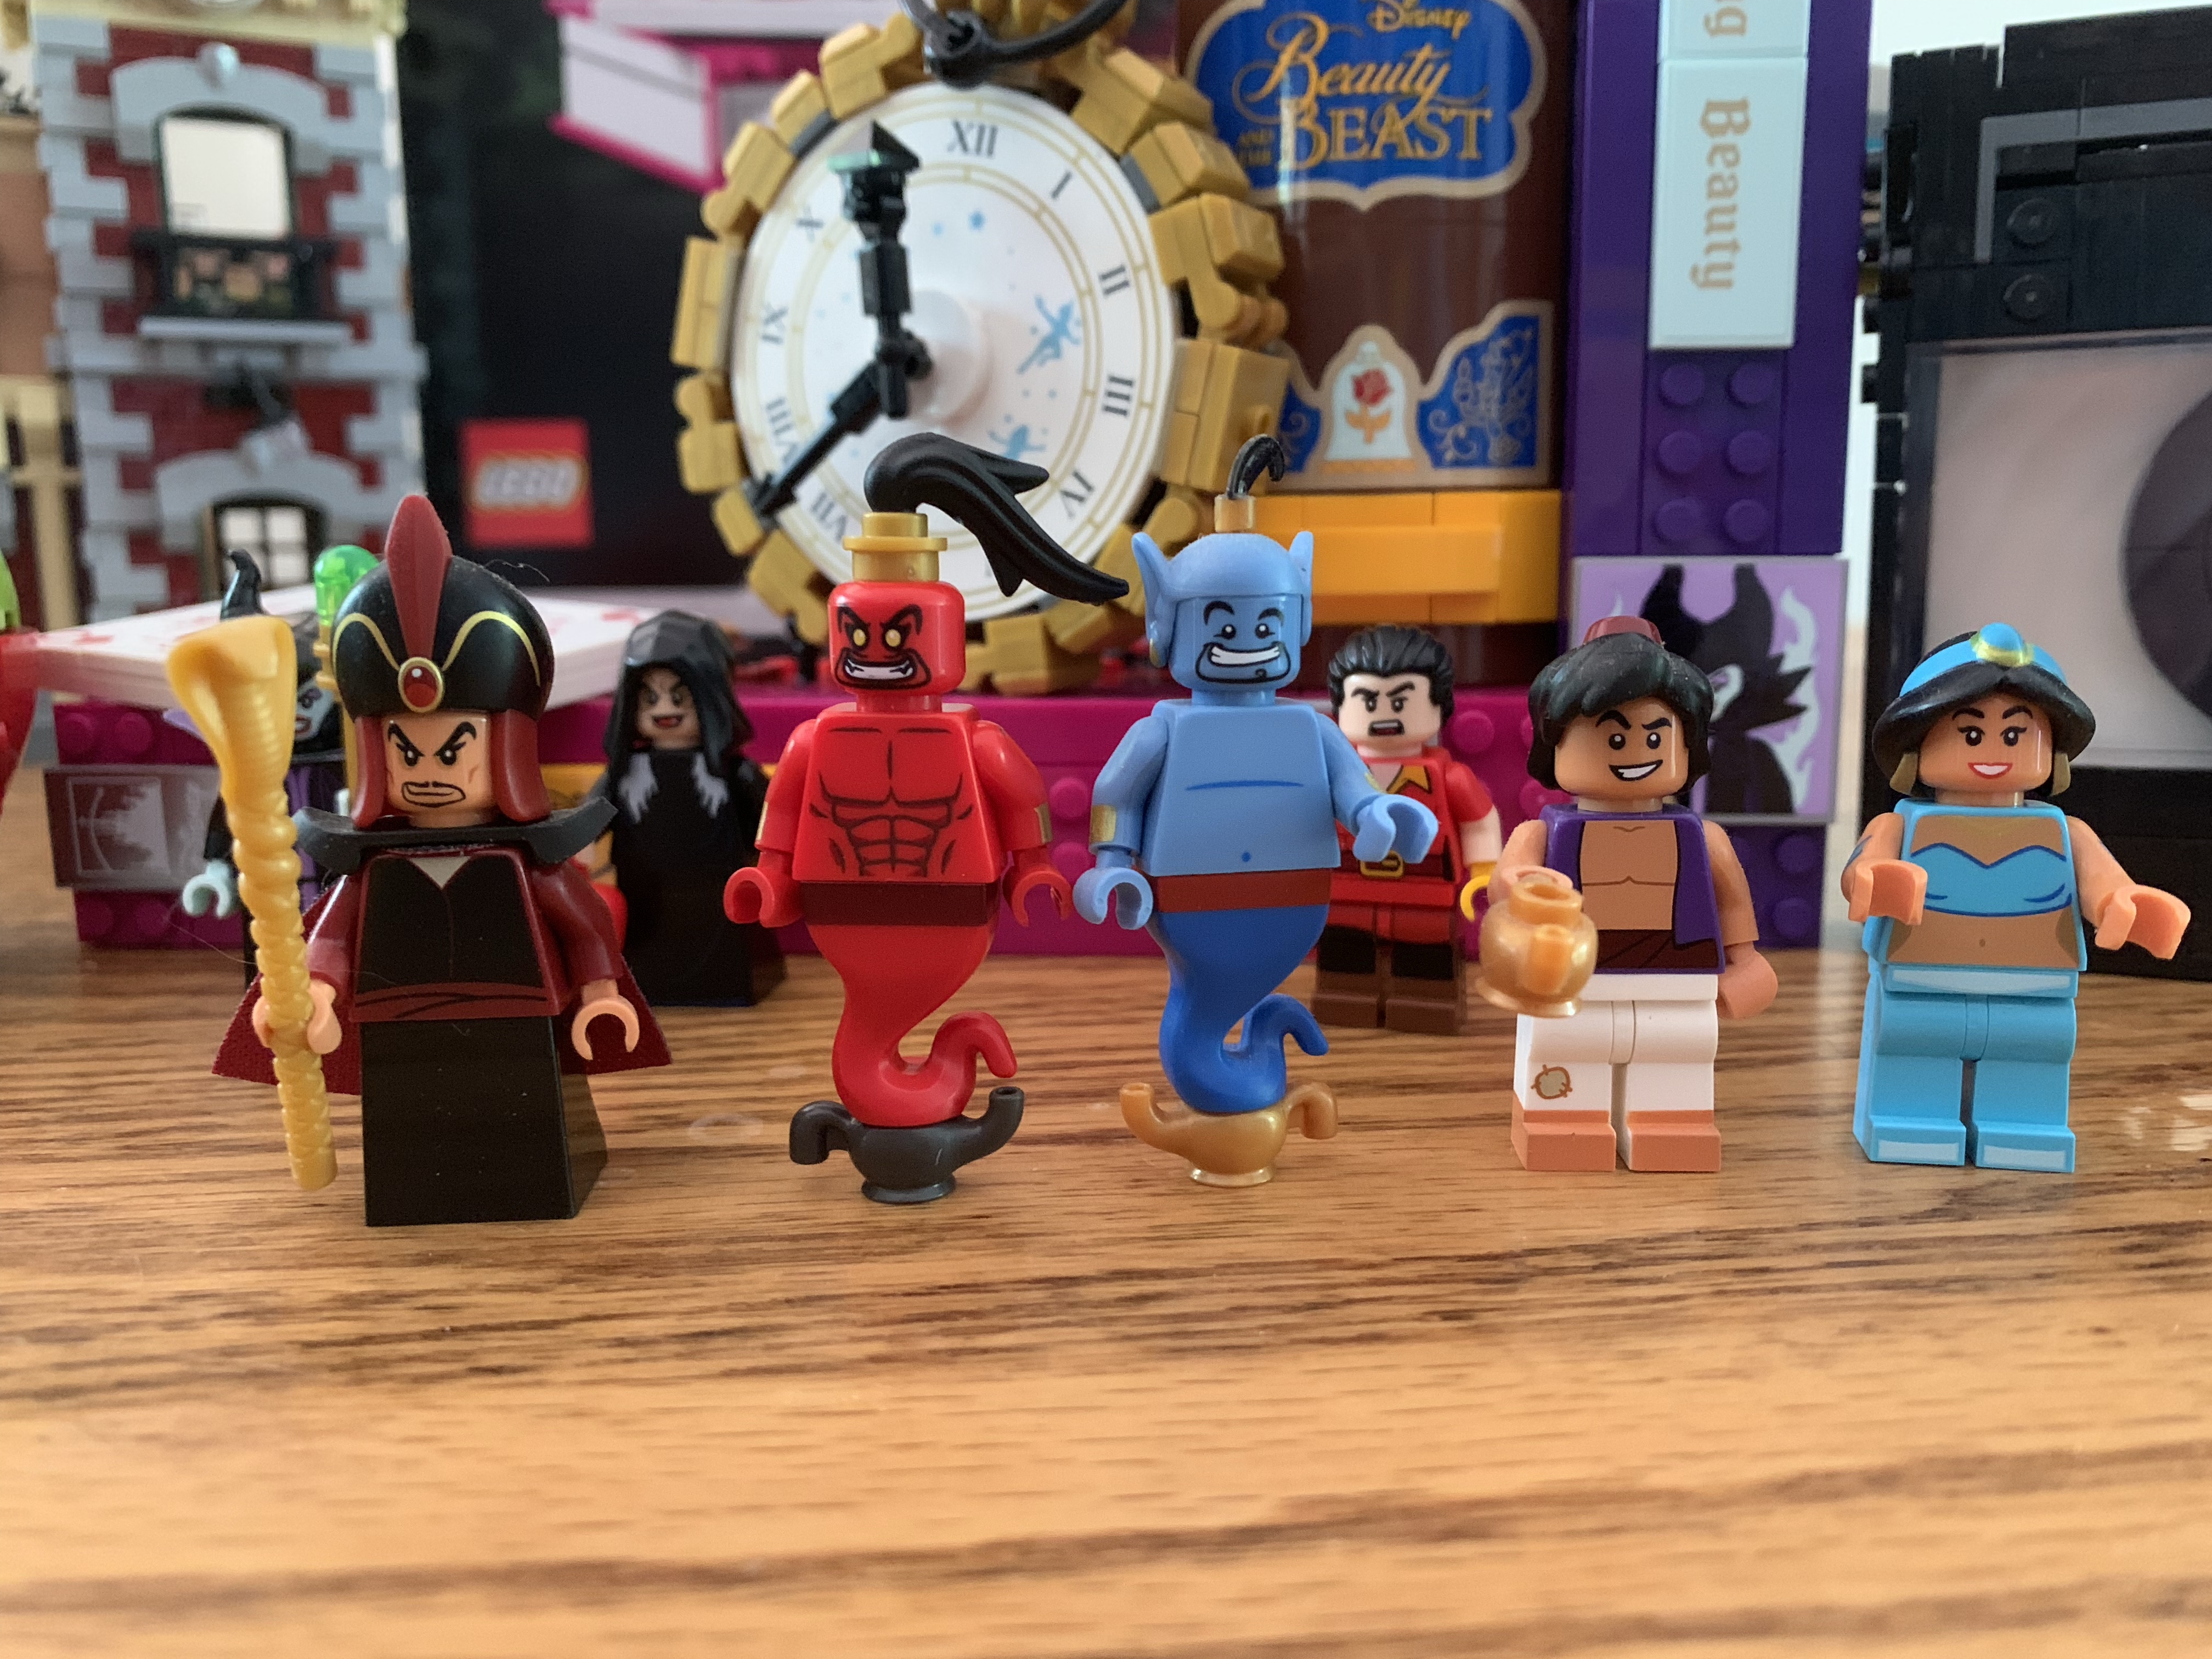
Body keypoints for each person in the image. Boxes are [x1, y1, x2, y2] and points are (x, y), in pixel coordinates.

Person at [214, 495, 668, 1226]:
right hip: (401, 1028)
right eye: (406, 749)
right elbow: (332, 937)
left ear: (505, 744)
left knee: (526, 1139)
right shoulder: (375, 869)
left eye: (453, 749)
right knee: (412, 1138)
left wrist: (598, 990)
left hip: (518, 1020)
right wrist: (314, 993)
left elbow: (580, 922)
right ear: (376, 750)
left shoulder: (525, 860)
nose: (428, 770)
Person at [1845, 623, 2188, 1172]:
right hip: (1921, 981)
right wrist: (1876, 880)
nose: (1993, 752)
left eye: (2015, 735)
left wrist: (2123, 905)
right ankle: (1912, 1122)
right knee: (1915, 1049)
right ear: (1916, 742)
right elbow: (1861, 870)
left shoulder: (2065, 832)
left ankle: (2023, 1128)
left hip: (2036, 988)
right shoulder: (1900, 825)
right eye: (1970, 734)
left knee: (2032, 1054)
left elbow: (2104, 884)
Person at [1486, 616, 1775, 1173]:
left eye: (1655, 736)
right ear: (1555, 744)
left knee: (1675, 1056)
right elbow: (1508, 876)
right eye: (1613, 738)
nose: (1634, 752)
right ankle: (1561, 1124)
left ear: (1687, 744)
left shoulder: (1703, 839)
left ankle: (1671, 1126)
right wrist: (1523, 886)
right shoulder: (1543, 833)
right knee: (1567, 1051)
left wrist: (1744, 959)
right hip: (1574, 980)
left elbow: (1732, 902)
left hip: (1677, 979)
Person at [1312, 625, 1500, 1034]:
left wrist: (1485, 870)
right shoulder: (1333, 778)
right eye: (1368, 700)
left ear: (1439, 706)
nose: (1384, 714)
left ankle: (1426, 1005)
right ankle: (1345, 999)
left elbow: (1479, 822)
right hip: (1348, 891)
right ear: (1340, 707)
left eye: (1400, 701)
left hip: (1425, 892)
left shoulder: (1449, 778)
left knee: (1425, 956)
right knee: (1346, 954)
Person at [597, 612, 781, 1007]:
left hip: (720, 892)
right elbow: (591, 818)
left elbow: (774, 822)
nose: (664, 709)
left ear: (709, 697)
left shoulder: (732, 773)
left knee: (723, 946)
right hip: (647, 891)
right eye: (650, 698)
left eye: (679, 696)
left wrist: (778, 864)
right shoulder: (627, 775)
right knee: (650, 955)